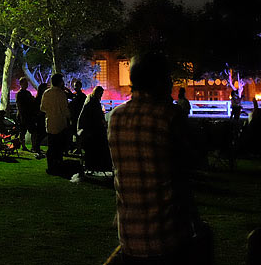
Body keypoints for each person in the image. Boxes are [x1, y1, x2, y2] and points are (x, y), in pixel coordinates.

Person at [107, 53, 200, 264]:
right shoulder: (169, 116)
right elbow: (185, 170)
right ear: (158, 81)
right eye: (168, 79)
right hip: (168, 235)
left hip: (130, 236)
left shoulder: (116, 118)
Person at [40, 74, 70, 175]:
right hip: (60, 123)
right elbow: (65, 110)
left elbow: (42, 108)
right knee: (59, 147)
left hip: (50, 123)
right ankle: (58, 166)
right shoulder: (62, 94)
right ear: (60, 82)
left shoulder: (46, 93)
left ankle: (51, 166)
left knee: (51, 146)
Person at [77, 85, 111, 172]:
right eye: (101, 93)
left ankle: (92, 165)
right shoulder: (94, 103)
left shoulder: (90, 102)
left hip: (89, 129)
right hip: (93, 130)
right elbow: (97, 117)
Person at [15, 77, 37, 152]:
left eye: (27, 83)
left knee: (32, 131)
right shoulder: (20, 94)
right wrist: (21, 116)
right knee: (23, 132)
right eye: (25, 83)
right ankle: (24, 146)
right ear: (21, 84)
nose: (27, 85)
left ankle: (33, 146)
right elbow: (19, 106)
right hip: (23, 115)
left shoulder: (27, 93)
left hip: (28, 115)